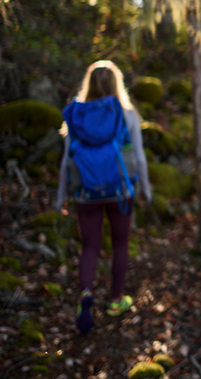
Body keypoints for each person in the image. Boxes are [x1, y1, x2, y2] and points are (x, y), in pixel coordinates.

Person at [55, 60, 152, 334]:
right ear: (116, 83)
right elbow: (140, 157)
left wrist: (61, 196)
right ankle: (115, 300)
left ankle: (86, 293)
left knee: (90, 246)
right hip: (120, 191)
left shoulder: (75, 114)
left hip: (86, 192)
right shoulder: (127, 114)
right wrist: (145, 188)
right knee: (120, 244)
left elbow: (66, 159)